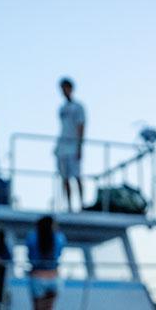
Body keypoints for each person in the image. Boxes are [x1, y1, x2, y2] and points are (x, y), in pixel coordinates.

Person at [25, 216, 66, 310]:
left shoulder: (32, 237)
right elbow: (60, 252)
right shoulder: (59, 237)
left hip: (37, 276)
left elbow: (29, 255)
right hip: (54, 277)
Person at [54, 77, 87, 211]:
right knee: (65, 177)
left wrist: (80, 146)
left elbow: (81, 126)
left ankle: (81, 204)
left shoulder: (78, 107)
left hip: (73, 145)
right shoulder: (62, 108)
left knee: (77, 176)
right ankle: (68, 205)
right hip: (62, 146)